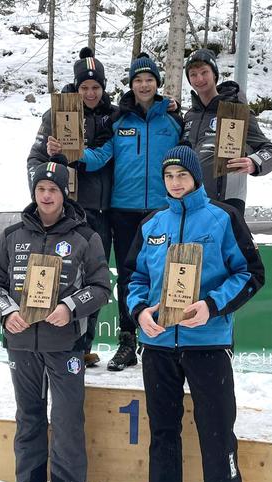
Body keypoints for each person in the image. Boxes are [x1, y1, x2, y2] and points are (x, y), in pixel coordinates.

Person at [125, 144, 265, 482]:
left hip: (208, 344)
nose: (175, 183)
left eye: (182, 175)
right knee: (164, 435)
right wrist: (139, 312)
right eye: (168, 177)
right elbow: (133, 278)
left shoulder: (223, 218)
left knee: (218, 437)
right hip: (157, 347)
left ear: (196, 177)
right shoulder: (151, 224)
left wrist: (212, 305)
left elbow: (251, 273)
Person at [0, 155, 111, 482]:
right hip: (21, 344)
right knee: (28, 419)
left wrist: (69, 307)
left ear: (64, 193)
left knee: (68, 422)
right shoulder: (12, 235)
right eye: (40, 188)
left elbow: (102, 287)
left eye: (52, 189)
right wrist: (7, 313)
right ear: (34, 191)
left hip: (65, 344)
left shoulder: (86, 236)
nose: (46, 195)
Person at [48, 53, 183, 372]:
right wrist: (71, 154)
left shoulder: (174, 120)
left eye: (149, 79)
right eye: (138, 80)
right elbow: (100, 156)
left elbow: (186, 157)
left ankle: (164, 343)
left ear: (157, 84)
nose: (144, 84)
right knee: (128, 276)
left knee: (165, 276)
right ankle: (127, 341)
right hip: (123, 210)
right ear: (131, 84)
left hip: (163, 211)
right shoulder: (118, 120)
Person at [27, 47, 117, 368]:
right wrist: (43, 201)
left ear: (104, 87)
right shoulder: (56, 115)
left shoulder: (115, 116)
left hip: (103, 212)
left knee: (95, 280)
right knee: (60, 277)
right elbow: (34, 161)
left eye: (96, 87)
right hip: (68, 213)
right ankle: (51, 342)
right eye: (84, 87)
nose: (90, 93)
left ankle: (84, 345)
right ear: (76, 87)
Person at [182, 48, 272, 215]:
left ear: (215, 75)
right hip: (191, 201)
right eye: (193, 74)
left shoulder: (236, 111)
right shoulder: (190, 116)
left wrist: (253, 163)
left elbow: (270, 152)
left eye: (204, 72)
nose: (199, 79)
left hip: (226, 202)